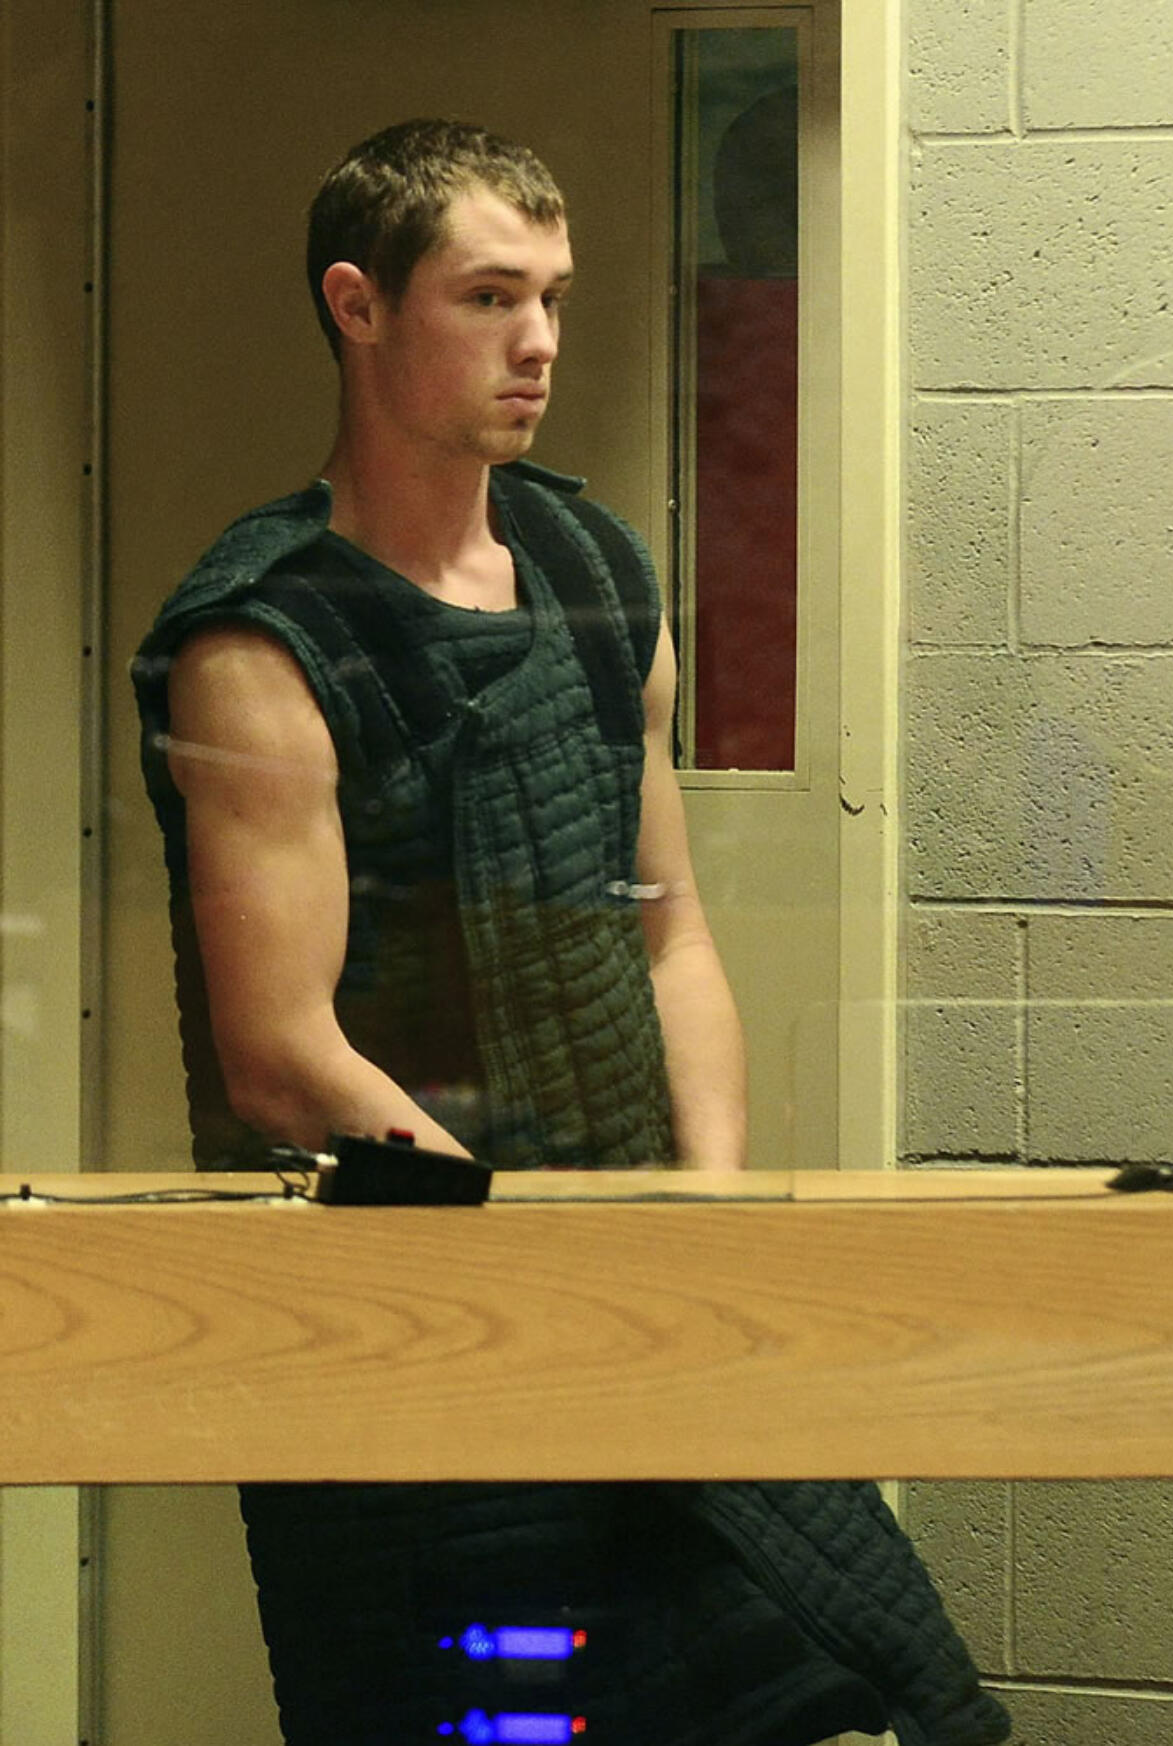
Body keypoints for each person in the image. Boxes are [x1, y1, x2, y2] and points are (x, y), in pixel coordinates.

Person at [133, 121, 1009, 1746]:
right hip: (419, 1352)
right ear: (359, 306)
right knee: (493, 1722)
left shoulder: (600, 568)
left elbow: (670, 935)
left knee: (867, 1688)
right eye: (485, 295)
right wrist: (541, 1266)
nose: (536, 340)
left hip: (646, 1308)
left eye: (552, 296)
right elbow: (281, 1056)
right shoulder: (262, 638)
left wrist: (701, 1219)